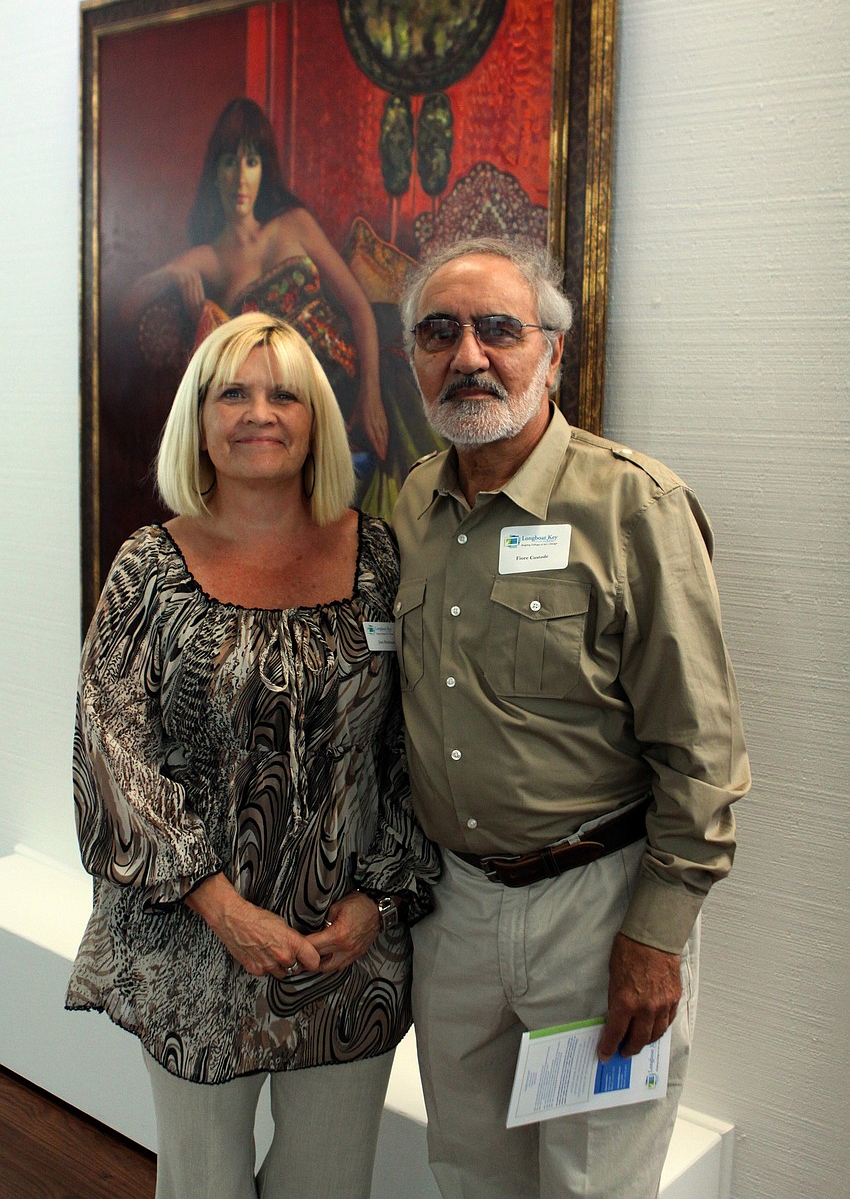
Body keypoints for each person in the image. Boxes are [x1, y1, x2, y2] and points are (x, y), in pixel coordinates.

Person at [392, 238, 751, 1199]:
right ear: (415, 359)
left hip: (597, 911)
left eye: (498, 329)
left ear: (552, 354)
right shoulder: (412, 505)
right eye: (439, 331)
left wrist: (656, 935)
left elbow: (702, 752)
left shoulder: (634, 506)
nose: (468, 354)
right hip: (455, 907)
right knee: (467, 1168)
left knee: (593, 1184)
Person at [67, 311, 439, 1199]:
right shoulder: (147, 569)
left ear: (316, 418)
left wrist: (378, 897)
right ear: (198, 419)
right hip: (199, 945)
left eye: (283, 393)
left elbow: (413, 743)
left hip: (348, 948)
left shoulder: (381, 557)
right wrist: (223, 906)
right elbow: (111, 755)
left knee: (329, 1184)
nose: (258, 411)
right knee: (206, 1185)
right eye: (231, 391)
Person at [123, 97, 389, 465]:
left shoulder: (294, 224)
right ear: (215, 173)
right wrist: (170, 273)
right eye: (229, 162)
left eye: (252, 161)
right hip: (289, 403)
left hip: (352, 381)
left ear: (264, 169)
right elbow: (127, 305)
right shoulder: (210, 259)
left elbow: (359, 308)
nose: (240, 177)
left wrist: (370, 396)